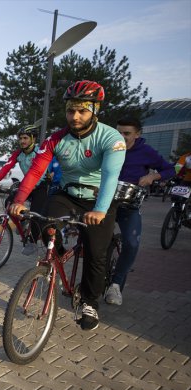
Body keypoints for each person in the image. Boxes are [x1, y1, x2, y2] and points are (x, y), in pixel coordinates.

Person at [9, 80, 127, 331]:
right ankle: (59, 252)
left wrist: (100, 210)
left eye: (82, 110)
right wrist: (19, 201)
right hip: (69, 194)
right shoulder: (56, 139)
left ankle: (89, 302)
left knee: (96, 253)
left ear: (95, 110)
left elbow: (110, 175)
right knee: (41, 223)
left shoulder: (111, 138)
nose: (75, 116)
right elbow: (35, 172)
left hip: (99, 199)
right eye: (70, 110)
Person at [104, 116, 176, 305]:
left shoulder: (146, 151)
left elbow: (170, 169)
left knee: (132, 243)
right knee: (93, 241)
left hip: (129, 205)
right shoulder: (107, 146)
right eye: (118, 132)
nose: (121, 136)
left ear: (137, 134)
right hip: (104, 204)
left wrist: (153, 176)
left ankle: (116, 285)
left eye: (126, 133)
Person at [0, 125, 54, 255]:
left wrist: (53, 173)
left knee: (35, 213)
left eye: (25, 138)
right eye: (20, 138)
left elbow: (55, 163)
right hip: (27, 185)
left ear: (33, 138)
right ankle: (23, 222)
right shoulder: (18, 154)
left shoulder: (40, 151)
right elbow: (6, 167)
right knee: (9, 203)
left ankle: (32, 242)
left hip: (42, 186)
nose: (22, 141)